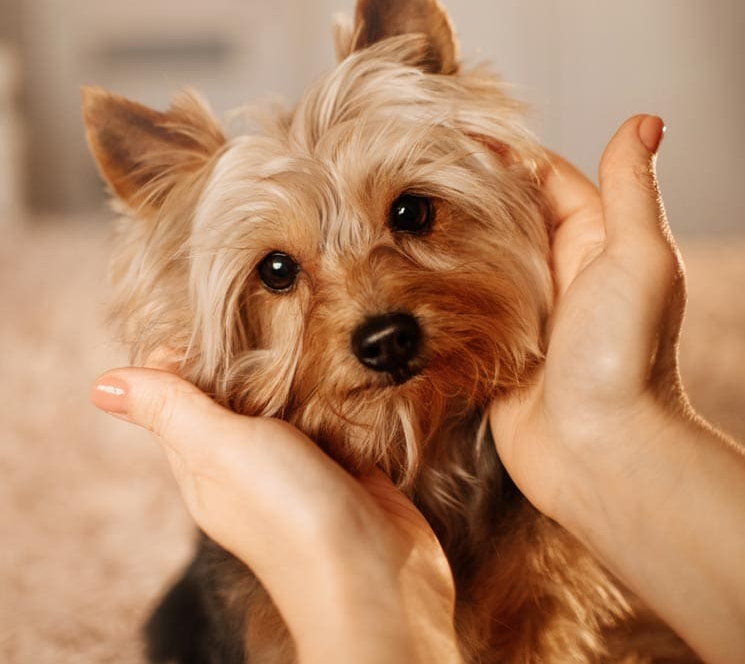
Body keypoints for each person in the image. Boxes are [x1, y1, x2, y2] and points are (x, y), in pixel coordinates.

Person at [91, 115, 745, 664]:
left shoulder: (568, 511)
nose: (374, 310)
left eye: (408, 215)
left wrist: (619, 425)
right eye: (280, 271)